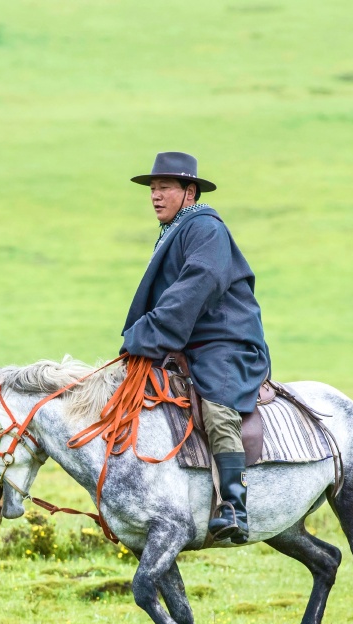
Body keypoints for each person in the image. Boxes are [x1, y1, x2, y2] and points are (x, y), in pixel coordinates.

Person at [121, 152, 271, 543]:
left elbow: (196, 287)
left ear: (190, 191)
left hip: (226, 340)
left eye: (164, 188)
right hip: (187, 341)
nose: (155, 196)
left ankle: (234, 507)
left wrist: (148, 332)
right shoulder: (173, 231)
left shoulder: (206, 229)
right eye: (152, 190)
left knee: (218, 408)